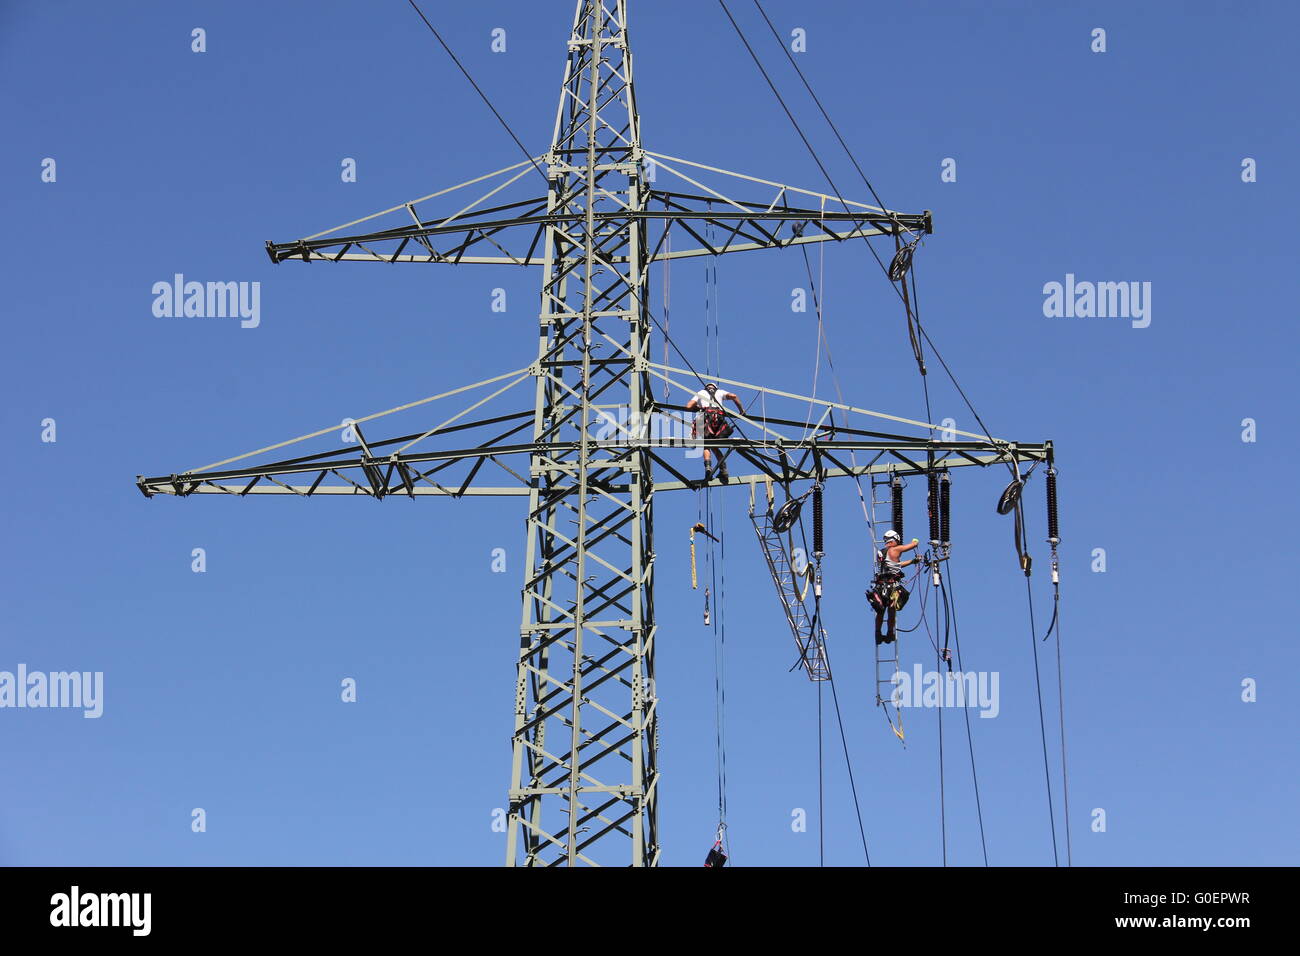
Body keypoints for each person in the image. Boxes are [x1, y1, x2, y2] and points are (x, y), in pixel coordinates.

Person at [868, 529, 921, 644]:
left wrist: (912, 561)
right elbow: (913, 545)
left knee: (880, 612)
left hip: (880, 588)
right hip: (891, 587)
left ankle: (878, 633)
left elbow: (897, 565)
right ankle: (890, 633)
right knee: (891, 611)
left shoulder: (882, 553)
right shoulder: (895, 549)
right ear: (894, 540)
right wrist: (915, 541)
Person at [686, 383, 743, 481]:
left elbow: (688, 406)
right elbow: (734, 396)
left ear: (706, 388)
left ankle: (708, 467)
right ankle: (723, 469)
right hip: (718, 420)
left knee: (705, 445)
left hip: (704, 419)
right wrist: (741, 411)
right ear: (715, 388)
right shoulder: (720, 392)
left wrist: (699, 408)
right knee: (715, 446)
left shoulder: (701, 392)